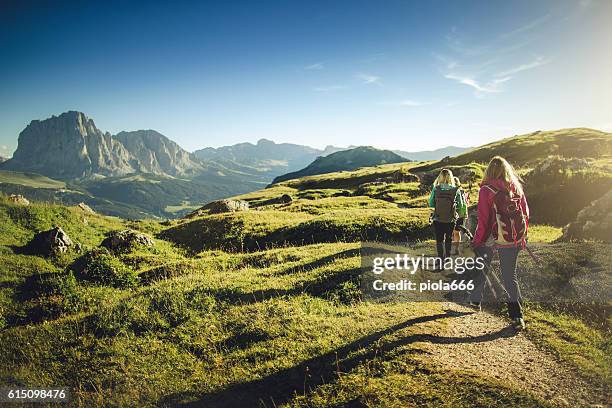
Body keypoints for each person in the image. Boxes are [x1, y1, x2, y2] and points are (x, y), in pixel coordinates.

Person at [470, 156, 529, 330]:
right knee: (510, 276)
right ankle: (517, 317)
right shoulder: (516, 187)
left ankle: (475, 300)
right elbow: (525, 213)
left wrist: (477, 241)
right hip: (514, 239)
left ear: (488, 171)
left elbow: (484, 221)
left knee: (481, 265)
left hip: (493, 237)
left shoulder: (486, 190)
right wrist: (521, 237)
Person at [428, 169, 466, 267]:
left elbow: (431, 203)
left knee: (439, 239)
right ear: (450, 177)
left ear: (440, 177)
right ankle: (448, 257)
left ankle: (440, 258)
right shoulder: (455, 189)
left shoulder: (436, 189)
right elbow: (461, 206)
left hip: (438, 218)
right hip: (450, 219)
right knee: (448, 238)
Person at [451, 176, 470, 254]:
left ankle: (452, 248)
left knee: (451, 232)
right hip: (462, 214)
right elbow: (465, 203)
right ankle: (456, 248)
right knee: (456, 232)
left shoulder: (453, 191)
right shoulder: (461, 191)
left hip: (455, 214)